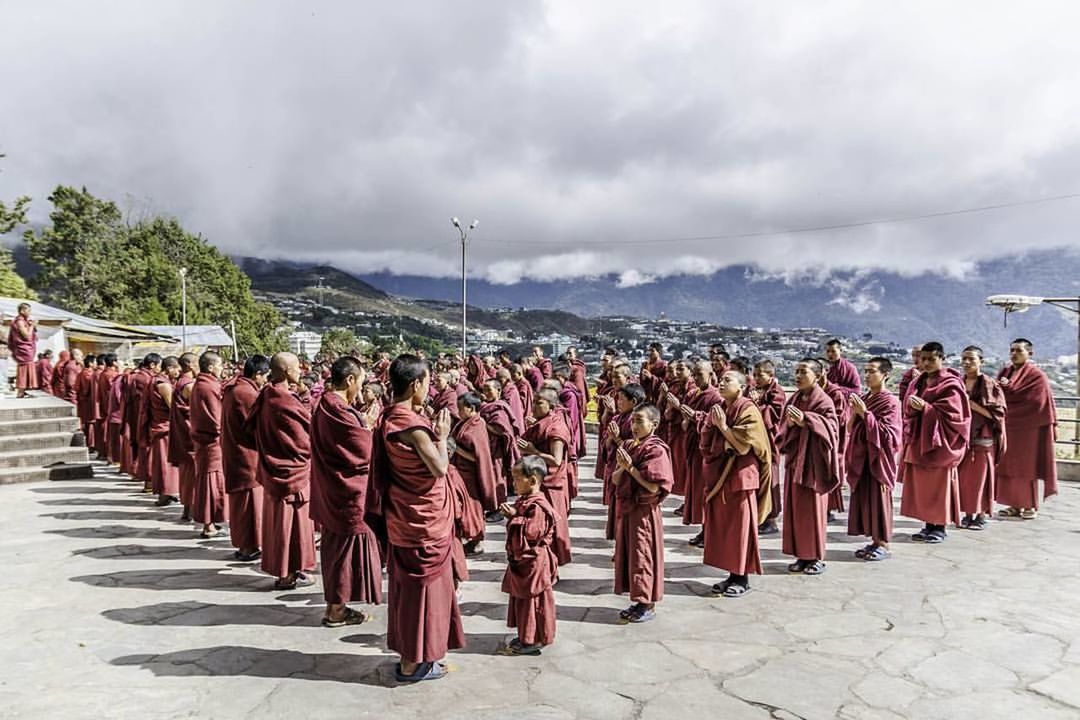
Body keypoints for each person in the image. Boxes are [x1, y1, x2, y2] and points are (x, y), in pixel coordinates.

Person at [371, 354, 464, 683]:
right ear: (415, 385)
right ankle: (414, 663)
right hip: (424, 523)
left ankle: (415, 655)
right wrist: (442, 435)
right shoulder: (413, 428)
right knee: (424, 594)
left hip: (404, 517)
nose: (431, 388)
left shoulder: (388, 418)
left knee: (408, 592)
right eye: (428, 382)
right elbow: (439, 468)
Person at [310, 357, 382, 628]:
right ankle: (336, 610)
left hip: (332, 489)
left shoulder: (326, 405)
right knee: (343, 549)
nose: (361, 389)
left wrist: (362, 423)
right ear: (350, 379)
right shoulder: (337, 409)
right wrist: (369, 427)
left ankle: (335, 605)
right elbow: (361, 451)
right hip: (346, 493)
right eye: (361, 382)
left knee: (335, 547)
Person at [701, 371, 772, 597]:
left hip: (742, 477)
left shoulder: (748, 409)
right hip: (723, 473)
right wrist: (714, 427)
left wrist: (722, 428)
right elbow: (707, 439)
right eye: (720, 380)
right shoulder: (722, 407)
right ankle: (732, 574)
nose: (721, 383)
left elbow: (742, 447)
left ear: (741, 387)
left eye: (727, 380)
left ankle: (742, 577)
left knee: (741, 529)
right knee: (727, 528)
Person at [250, 352, 316, 590]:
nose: (302, 371)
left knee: (283, 525)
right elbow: (304, 440)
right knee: (291, 526)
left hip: (274, 467)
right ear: (287, 371)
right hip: (291, 471)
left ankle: (289, 570)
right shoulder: (284, 400)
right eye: (298, 367)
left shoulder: (267, 394)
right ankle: (286, 574)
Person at [900, 342, 970, 543]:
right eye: (924, 359)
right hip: (920, 440)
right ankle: (927, 524)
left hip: (941, 443)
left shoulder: (951, 384)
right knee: (924, 487)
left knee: (939, 486)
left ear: (942, 359)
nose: (927, 363)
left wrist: (927, 409)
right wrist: (914, 408)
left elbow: (955, 416)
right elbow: (907, 407)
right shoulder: (917, 382)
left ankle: (940, 527)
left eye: (932, 358)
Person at [612, 404, 673, 623]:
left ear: (654, 425)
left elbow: (655, 487)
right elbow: (615, 479)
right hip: (629, 509)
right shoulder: (630, 445)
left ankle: (647, 603)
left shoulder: (656, 449)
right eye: (633, 421)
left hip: (644, 512)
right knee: (632, 554)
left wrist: (631, 469)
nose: (634, 425)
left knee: (643, 555)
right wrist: (622, 467)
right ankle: (638, 599)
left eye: (640, 421)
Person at [779, 358, 842, 575]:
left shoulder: (823, 401)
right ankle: (801, 555)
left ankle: (815, 557)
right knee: (796, 510)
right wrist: (791, 424)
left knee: (813, 511)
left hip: (814, 464)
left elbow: (833, 430)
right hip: (796, 461)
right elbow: (782, 427)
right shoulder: (794, 399)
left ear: (817, 375)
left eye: (803, 372)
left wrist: (807, 420)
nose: (797, 376)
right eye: (796, 371)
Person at [497, 456, 559, 655]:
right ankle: (526, 635)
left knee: (534, 602)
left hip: (535, 562)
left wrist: (515, 517)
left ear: (532, 480)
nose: (513, 483)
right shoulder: (526, 500)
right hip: (523, 561)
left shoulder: (538, 505)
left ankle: (533, 640)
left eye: (516, 479)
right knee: (523, 601)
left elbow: (532, 534)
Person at [846, 358, 902, 561]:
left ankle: (884, 544)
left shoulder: (890, 401)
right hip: (863, 457)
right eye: (866, 371)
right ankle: (874, 540)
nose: (867, 375)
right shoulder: (866, 397)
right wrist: (856, 413)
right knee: (867, 500)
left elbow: (890, 434)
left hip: (879, 459)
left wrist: (865, 414)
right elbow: (851, 428)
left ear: (885, 374)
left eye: (872, 371)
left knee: (879, 500)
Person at [996, 338, 1057, 520]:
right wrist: (1004, 388)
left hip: (1029, 428)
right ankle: (1014, 505)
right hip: (1008, 426)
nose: (1014, 354)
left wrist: (1010, 389)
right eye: (1012, 350)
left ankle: (1030, 505)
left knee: (1026, 468)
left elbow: (1038, 402)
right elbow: (997, 394)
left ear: (1030, 353)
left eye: (1019, 351)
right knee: (1009, 466)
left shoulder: (1037, 376)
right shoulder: (1005, 372)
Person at [518, 387, 573, 565]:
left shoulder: (556, 427)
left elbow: (556, 461)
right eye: (533, 402)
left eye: (538, 402)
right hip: (537, 481)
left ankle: (551, 562)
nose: (533, 406)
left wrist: (533, 451)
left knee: (550, 528)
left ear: (551, 406)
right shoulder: (543, 422)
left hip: (550, 484)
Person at [222, 355, 269, 562]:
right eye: (265, 376)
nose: (266, 381)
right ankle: (248, 546)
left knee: (242, 504)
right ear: (257, 374)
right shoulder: (246, 393)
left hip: (235, 452)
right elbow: (258, 427)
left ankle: (245, 545)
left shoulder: (234, 389)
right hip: (246, 456)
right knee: (249, 505)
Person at [958, 346, 1007, 530]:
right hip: (964, 436)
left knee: (981, 478)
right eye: (964, 359)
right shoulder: (959, 382)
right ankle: (967, 513)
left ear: (981, 362)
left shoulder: (988, 384)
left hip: (983, 437)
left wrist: (972, 405)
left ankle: (980, 515)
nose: (967, 363)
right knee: (965, 478)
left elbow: (998, 413)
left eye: (971, 359)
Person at [683, 361, 724, 546]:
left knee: (706, 491)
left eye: (700, 374)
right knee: (698, 492)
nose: (696, 378)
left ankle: (709, 531)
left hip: (706, 450)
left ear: (710, 374)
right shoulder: (696, 394)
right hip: (694, 447)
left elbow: (714, 422)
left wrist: (694, 416)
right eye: (694, 374)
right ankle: (703, 529)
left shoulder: (715, 397)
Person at [190, 352, 227, 539]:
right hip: (211, 442)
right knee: (210, 484)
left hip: (204, 442)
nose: (222, 368)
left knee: (209, 483)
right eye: (220, 365)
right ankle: (208, 525)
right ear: (211, 367)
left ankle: (211, 522)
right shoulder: (208, 387)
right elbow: (216, 419)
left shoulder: (201, 384)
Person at [452, 392, 500, 523]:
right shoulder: (464, 422)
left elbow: (478, 457)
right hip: (459, 471)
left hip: (470, 474)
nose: (458, 411)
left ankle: (476, 535)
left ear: (471, 408)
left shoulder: (477, 425)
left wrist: (455, 449)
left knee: (473, 505)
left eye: (460, 408)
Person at [751, 360, 786, 535]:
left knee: (771, 481)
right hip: (757, 442)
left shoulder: (777, 393)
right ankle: (761, 517)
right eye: (754, 374)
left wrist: (757, 403)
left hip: (770, 443)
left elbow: (771, 416)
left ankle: (771, 520)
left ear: (771, 376)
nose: (756, 378)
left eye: (760, 375)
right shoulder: (758, 391)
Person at [144, 356, 180, 506]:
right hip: (164, 427)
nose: (178, 371)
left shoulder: (156, 381)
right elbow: (173, 408)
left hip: (161, 425)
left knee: (164, 462)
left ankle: (166, 492)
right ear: (170, 368)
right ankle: (164, 494)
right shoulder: (163, 384)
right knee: (165, 462)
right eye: (177, 368)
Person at [168, 353, 197, 521]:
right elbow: (199, 410)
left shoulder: (178, 383)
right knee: (193, 474)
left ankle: (187, 509)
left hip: (182, 433)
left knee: (187, 474)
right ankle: (192, 509)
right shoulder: (190, 386)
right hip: (190, 434)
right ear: (192, 365)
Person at [7, 303, 37, 398]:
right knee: (24, 368)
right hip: (23, 349)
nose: (29, 312)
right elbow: (27, 336)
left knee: (27, 367)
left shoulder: (24, 320)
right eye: (28, 310)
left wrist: (31, 325)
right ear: (22, 311)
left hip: (26, 349)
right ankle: (20, 391)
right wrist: (32, 326)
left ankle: (23, 390)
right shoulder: (19, 321)